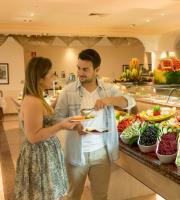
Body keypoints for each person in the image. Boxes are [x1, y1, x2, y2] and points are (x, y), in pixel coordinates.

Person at [55, 49, 135, 200]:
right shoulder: (68, 91)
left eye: (85, 69)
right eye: (78, 68)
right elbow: (57, 118)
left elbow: (130, 101)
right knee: (72, 196)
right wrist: (73, 125)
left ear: (97, 69)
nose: (80, 73)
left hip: (101, 153)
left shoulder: (108, 89)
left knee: (100, 196)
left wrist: (108, 100)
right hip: (75, 153)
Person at [14, 57, 81, 200]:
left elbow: (44, 121)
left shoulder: (37, 99)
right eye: (51, 74)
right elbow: (33, 136)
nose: (54, 77)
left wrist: (63, 118)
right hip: (39, 156)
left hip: (45, 154)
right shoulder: (33, 102)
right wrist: (61, 125)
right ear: (40, 78)